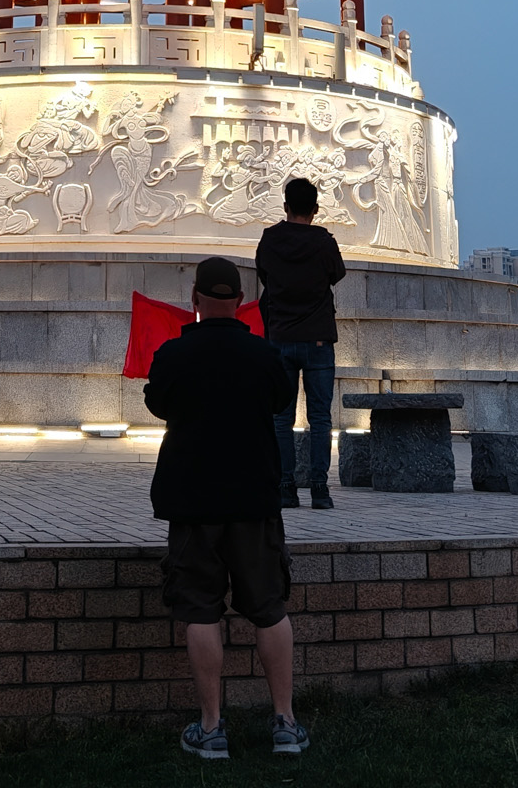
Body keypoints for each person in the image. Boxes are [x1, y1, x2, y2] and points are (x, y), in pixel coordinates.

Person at [145, 254, 310, 760]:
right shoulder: (264, 355)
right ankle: (285, 723)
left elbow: (157, 403)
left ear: (193, 298)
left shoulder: (173, 353)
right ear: (240, 301)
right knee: (269, 609)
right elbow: (280, 402)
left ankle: (212, 727)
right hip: (253, 500)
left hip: (193, 500)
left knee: (200, 610)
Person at [255, 176, 348, 510]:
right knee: (320, 418)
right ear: (315, 209)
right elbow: (337, 275)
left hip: (280, 336)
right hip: (318, 338)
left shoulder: (270, 239)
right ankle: (320, 490)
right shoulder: (324, 241)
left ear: (285, 206)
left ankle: (286, 487)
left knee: (281, 418)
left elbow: (264, 275)